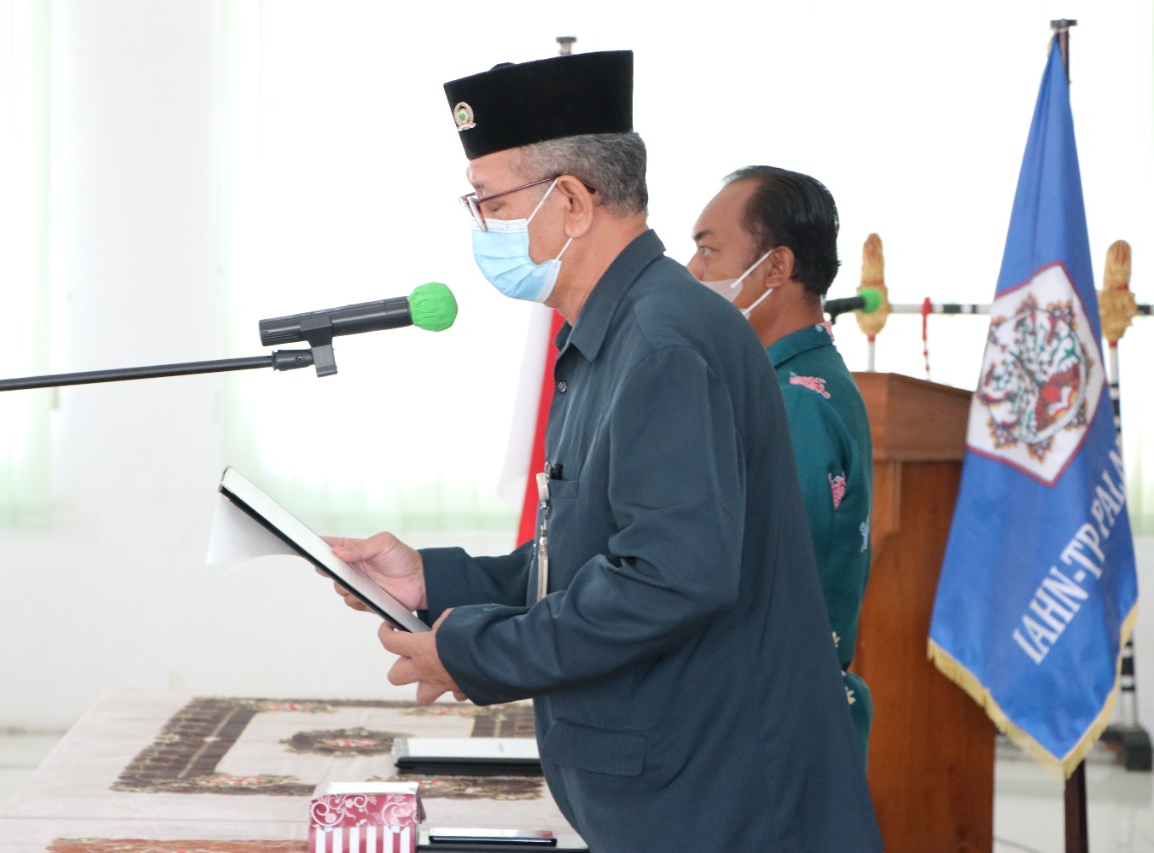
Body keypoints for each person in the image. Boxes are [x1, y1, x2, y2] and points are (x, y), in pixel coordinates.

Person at [327, 52, 882, 852]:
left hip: (725, 807)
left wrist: (477, 651)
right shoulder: (615, 334)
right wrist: (436, 582)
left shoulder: (662, 342)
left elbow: (668, 578)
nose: (481, 226)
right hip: (684, 793)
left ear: (573, 202)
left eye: (491, 203)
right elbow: (589, 554)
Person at [686, 165, 875, 765]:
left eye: (708, 250)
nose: (692, 271)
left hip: (768, 727)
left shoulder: (794, 401)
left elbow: (756, 586)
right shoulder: (785, 382)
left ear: (776, 268)